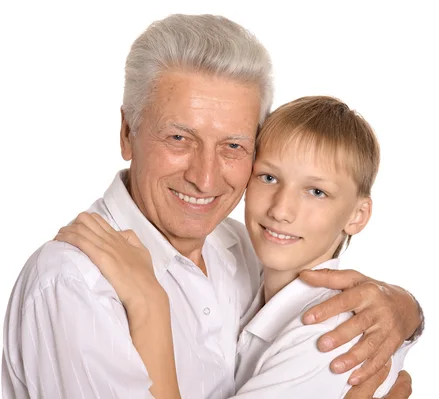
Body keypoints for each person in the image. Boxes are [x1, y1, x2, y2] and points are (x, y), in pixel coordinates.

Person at [2, 14, 423, 399]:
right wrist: (150, 305)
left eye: (233, 146)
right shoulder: (76, 284)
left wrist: (406, 311)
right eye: (179, 139)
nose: (205, 178)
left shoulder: (243, 247)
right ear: (128, 133)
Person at [55, 95, 418, 398]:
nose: (280, 209)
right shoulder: (238, 262)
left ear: (357, 215)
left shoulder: (328, 336)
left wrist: (148, 302)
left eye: (317, 191)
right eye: (269, 177)